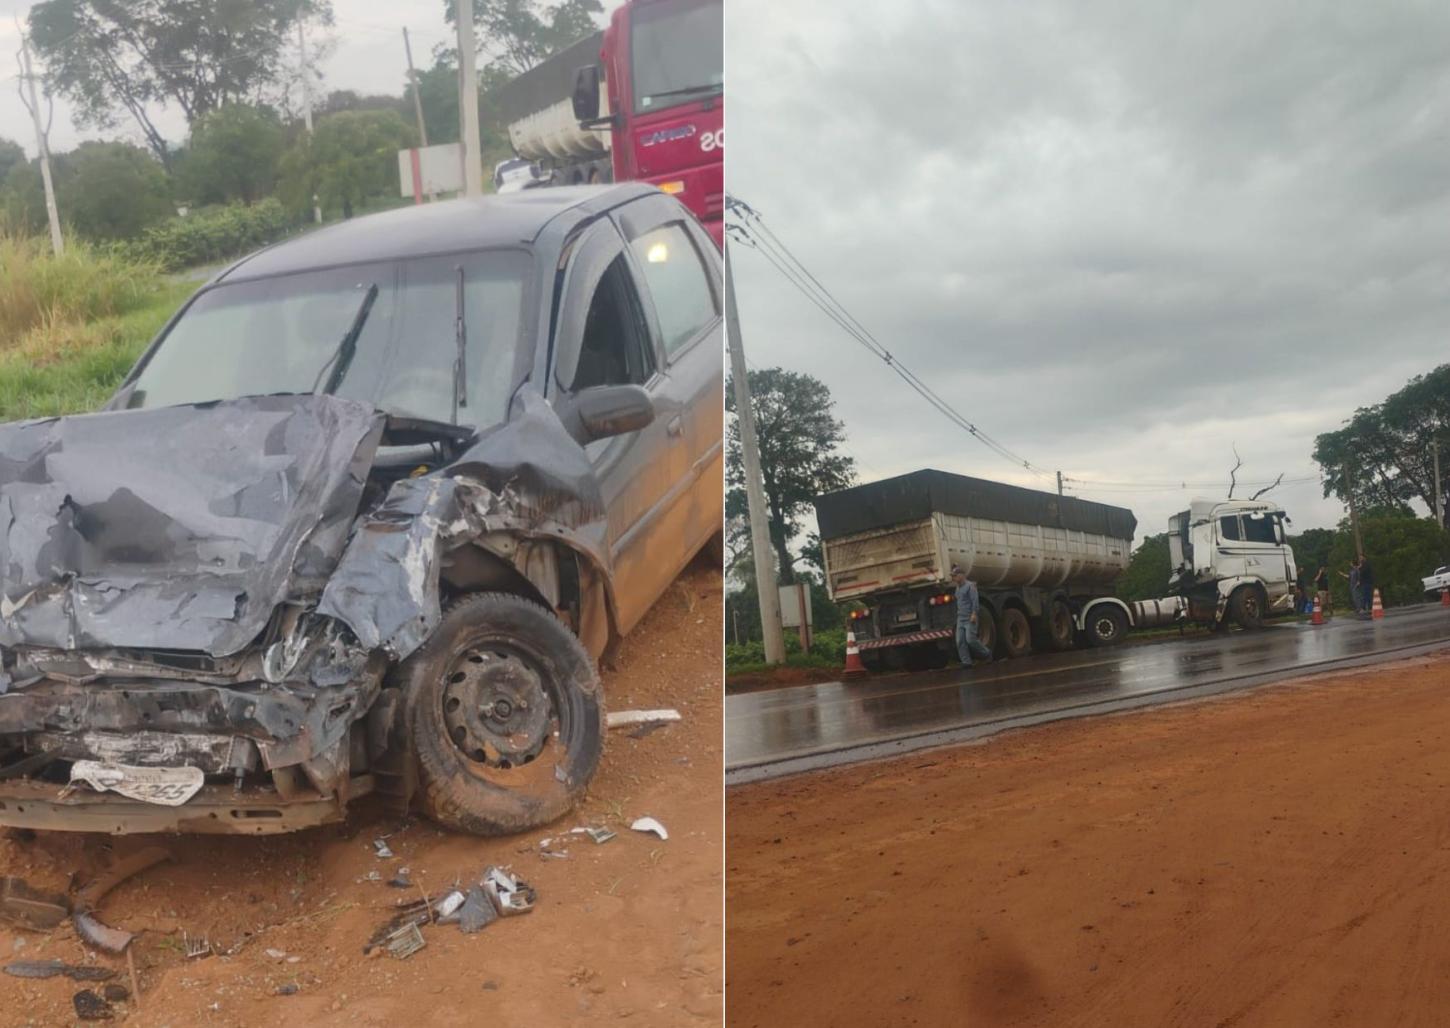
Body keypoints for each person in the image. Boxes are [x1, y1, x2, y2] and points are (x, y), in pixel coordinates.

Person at [951, 565, 993, 668]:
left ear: (962, 575)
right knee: (960, 641)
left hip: (970, 617)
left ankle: (987, 654)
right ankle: (966, 662)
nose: (953, 578)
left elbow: (975, 601)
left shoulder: (970, 586)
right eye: (953, 576)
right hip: (960, 618)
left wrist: (974, 613)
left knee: (970, 639)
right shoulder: (957, 588)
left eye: (955, 576)